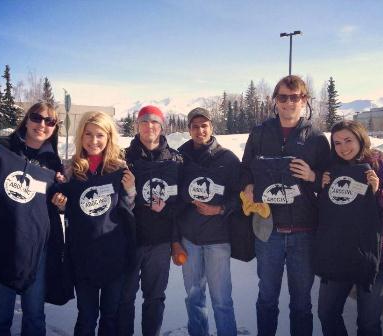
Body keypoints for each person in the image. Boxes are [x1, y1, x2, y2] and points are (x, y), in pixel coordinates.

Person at [240, 75, 330, 336]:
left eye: (295, 97)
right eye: (283, 97)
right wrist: (246, 185)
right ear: (275, 101)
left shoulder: (316, 138)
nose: (289, 102)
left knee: (301, 302)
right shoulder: (259, 133)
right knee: (267, 298)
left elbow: (328, 182)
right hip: (268, 231)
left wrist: (313, 176)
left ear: (304, 100)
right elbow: (244, 169)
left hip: (304, 232)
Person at [0, 102, 66, 336]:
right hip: (0, 245)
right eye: (36, 118)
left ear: (54, 128)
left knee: (35, 317)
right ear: (26, 120)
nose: (42, 124)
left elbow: (60, 202)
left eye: (50, 121)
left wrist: (61, 196)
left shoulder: (53, 164)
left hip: (37, 250)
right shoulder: (0, 149)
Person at [51, 111, 136, 335]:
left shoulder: (119, 169)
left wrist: (130, 189)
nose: (94, 140)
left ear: (109, 137)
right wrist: (60, 203)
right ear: (81, 136)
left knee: (110, 317)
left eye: (100, 134)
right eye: (88, 134)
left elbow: (128, 209)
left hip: (114, 257)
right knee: (87, 317)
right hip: (83, 258)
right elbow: (64, 205)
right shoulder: (70, 169)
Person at [316, 120, 383, 336]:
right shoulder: (332, 168)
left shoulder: (381, 165)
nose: (343, 147)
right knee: (327, 313)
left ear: (360, 138)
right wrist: (322, 189)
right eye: (337, 143)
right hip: (339, 253)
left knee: (368, 323)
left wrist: (378, 192)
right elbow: (326, 210)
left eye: (348, 140)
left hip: (376, 257)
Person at [115, 105, 183, 336]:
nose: (149, 126)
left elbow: (185, 198)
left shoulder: (175, 160)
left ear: (162, 126)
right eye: (144, 121)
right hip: (128, 240)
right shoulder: (122, 158)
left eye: (154, 121)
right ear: (137, 126)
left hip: (160, 242)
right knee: (124, 297)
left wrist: (168, 208)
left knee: (154, 298)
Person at [175, 107, 239, 336]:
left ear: (211, 127)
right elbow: (173, 194)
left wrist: (220, 208)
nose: (200, 130)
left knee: (221, 299)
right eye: (195, 126)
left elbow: (240, 196)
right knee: (194, 297)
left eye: (204, 125)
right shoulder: (179, 157)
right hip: (189, 238)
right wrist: (185, 194)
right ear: (189, 129)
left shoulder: (228, 159)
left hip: (218, 239)